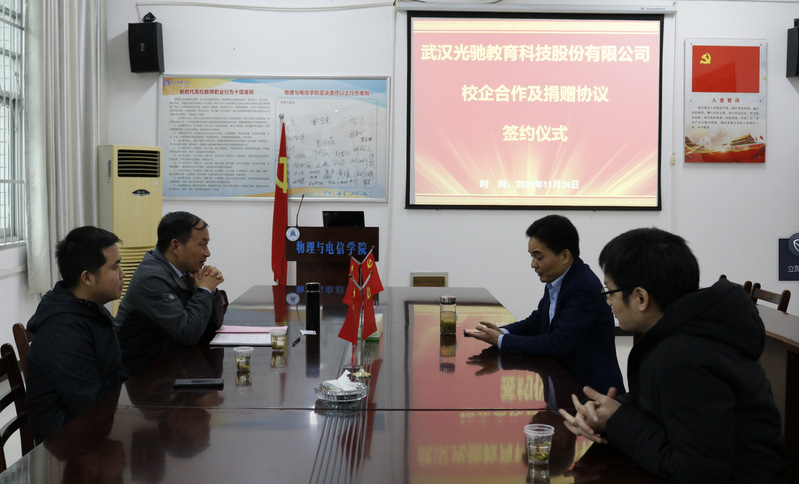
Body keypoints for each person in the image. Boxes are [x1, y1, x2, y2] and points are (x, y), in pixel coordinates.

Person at [559, 227, 787, 483]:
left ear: (640, 297)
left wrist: (617, 420)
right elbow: (664, 404)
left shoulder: (685, 356)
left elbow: (698, 472)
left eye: (609, 292)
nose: (608, 301)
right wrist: (607, 410)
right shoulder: (683, 334)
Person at [468, 215, 624, 394]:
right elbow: (538, 320)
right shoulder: (558, 280)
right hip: (563, 386)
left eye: (539, 257)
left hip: (591, 394)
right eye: (532, 256)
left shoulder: (583, 286)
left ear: (564, 256)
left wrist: (504, 341)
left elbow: (559, 343)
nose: (533, 264)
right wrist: (501, 332)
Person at [25, 226, 128, 444]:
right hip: (69, 445)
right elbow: (89, 405)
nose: (123, 274)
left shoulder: (89, 309)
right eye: (115, 267)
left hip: (97, 428)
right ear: (87, 277)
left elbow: (115, 372)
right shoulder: (63, 330)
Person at [116, 211, 225, 376]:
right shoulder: (151, 278)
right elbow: (187, 333)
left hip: (172, 365)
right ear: (176, 246)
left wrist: (210, 289)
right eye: (202, 245)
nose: (207, 253)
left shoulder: (184, 270)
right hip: (144, 376)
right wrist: (204, 290)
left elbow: (213, 324)